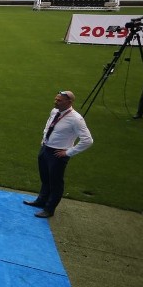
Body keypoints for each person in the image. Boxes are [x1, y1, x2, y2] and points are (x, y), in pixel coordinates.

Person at [23, 90, 93, 218]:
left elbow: (88, 140)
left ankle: (49, 209)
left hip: (58, 153)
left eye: (59, 100)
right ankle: (41, 201)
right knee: (45, 178)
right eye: (56, 99)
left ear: (69, 102)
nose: (55, 101)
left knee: (55, 183)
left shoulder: (76, 119)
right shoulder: (54, 111)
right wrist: (44, 138)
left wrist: (69, 152)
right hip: (45, 149)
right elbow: (49, 124)